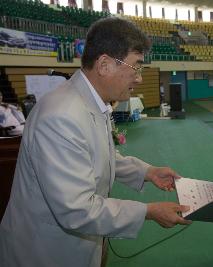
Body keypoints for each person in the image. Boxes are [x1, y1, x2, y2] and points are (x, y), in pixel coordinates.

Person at [0, 17, 190, 267]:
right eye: (136, 67)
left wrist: (147, 171)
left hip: (77, 243)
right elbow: (77, 209)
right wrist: (148, 211)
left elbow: (99, 155)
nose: (139, 79)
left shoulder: (90, 103)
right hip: (45, 250)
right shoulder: (61, 116)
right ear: (104, 65)